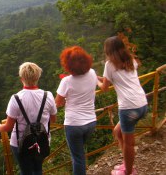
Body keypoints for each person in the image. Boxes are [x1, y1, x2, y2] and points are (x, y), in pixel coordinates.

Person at [97, 36, 148, 175]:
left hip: (129, 108)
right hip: (142, 103)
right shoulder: (130, 60)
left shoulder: (109, 65)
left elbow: (105, 87)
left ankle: (129, 171)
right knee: (117, 132)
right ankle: (127, 163)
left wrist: (97, 82)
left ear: (108, 50)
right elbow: (118, 79)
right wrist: (97, 77)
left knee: (129, 143)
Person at [0, 62, 57, 175]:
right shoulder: (48, 95)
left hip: (20, 143)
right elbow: (53, 119)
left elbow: (8, 126)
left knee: (25, 171)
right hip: (42, 141)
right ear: (38, 77)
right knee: (38, 169)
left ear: (21, 79)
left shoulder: (16, 98)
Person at [55, 46, 97, 175]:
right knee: (80, 153)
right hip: (91, 122)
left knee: (78, 158)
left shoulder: (66, 81)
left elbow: (58, 103)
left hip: (74, 125)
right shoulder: (92, 73)